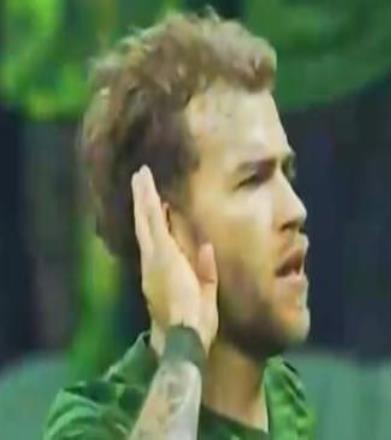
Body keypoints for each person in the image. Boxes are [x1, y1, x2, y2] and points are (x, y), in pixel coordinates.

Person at [43, 9, 314, 439]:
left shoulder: (284, 394)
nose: (295, 209)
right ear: (168, 231)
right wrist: (184, 339)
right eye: (252, 180)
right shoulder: (93, 423)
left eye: (287, 173)